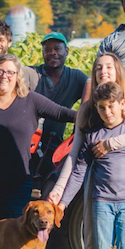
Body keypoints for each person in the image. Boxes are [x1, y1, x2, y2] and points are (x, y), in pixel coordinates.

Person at [48, 53, 125, 249]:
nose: (103, 71)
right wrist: (60, 194)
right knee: (96, 246)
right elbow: (76, 157)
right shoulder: (88, 110)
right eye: (98, 68)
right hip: (99, 189)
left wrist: (110, 144)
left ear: (118, 71)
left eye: (108, 67)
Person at [0, 53, 77, 221]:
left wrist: (90, 116)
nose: (4, 76)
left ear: (17, 76)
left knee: (14, 234)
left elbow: (61, 112)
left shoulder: (30, 101)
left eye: (10, 72)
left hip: (18, 182)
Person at [31, 31, 88, 173]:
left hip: (57, 145)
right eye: (47, 50)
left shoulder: (76, 77)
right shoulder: (33, 74)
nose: (52, 53)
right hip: (30, 142)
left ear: (66, 51)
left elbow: (93, 98)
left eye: (57, 49)